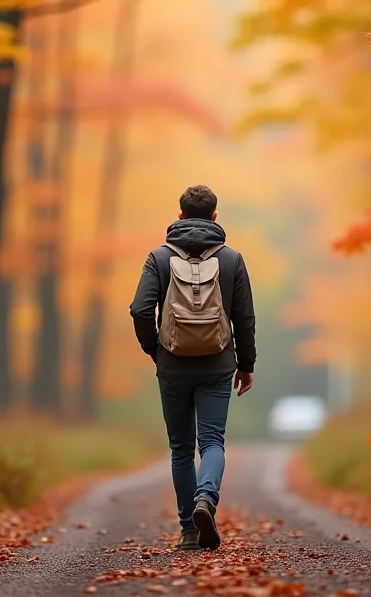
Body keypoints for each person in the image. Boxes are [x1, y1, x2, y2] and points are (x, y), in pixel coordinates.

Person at [129, 185, 256, 552]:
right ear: (215, 217)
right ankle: (206, 499)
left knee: (181, 448)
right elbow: (244, 318)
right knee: (212, 441)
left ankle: (189, 530)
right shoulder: (232, 260)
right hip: (218, 362)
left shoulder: (158, 257)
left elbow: (140, 310)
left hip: (173, 364)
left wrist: (156, 350)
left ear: (180, 216)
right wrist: (245, 365)